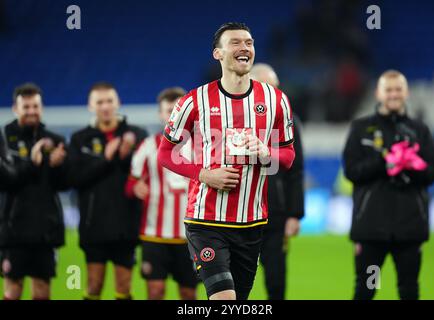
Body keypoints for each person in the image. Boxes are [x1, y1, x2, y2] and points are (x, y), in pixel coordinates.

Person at [157, 22, 296, 300]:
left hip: (252, 223)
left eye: (249, 42)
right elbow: (165, 153)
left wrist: (267, 154)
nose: (244, 47)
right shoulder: (194, 101)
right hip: (206, 221)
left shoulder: (276, 100)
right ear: (218, 54)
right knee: (224, 299)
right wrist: (204, 175)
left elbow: (288, 157)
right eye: (235, 42)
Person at [343, 70, 434, 300]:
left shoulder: (419, 130)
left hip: (409, 229)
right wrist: (384, 161)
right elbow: (351, 172)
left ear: (406, 93)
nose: (394, 94)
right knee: (367, 289)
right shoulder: (361, 128)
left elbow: (432, 173)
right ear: (378, 93)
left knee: (408, 289)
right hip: (371, 230)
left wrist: (410, 165)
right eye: (389, 89)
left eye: (398, 89)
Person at [68, 82, 147, 300]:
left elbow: (145, 173)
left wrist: (127, 156)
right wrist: (105, 159)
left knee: (123, 286)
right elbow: (73, 179)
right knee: (94, 284)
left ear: (118, 103)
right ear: (90, 106)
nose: (105, 106)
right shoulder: (80, 139)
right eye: (99, 102)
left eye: (109, 101)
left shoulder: (137, 135)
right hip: (94, 224)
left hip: (126, 223)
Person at [125, 87, 198, 300]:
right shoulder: (148, 146)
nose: (174, 116)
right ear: (160, 114)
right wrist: (135, 188)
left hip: (191, 236)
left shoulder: (203, 147)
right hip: (154, 235)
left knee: (188, 294)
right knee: (155, 292)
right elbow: (130, 184)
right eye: (169, 111)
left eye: (179, 110)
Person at [0, 83, 67, 300]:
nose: (31, 111)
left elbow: (64, 184)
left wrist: (59, 167)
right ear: (15, 108)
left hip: (44, 230)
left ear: (42, 107)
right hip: (12, 230)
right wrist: (32, 163)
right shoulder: (3, 138)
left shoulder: (54, 140)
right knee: (13, 289)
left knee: (42, 291)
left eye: (35, 106)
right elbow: (5, 180)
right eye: (26, 106)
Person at [250, 63, 304, 300]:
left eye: (276, 88)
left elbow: (296, 169)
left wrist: (294, 214)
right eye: (267, 87)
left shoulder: (289, 121)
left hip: (275, 212)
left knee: (275, 276)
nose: (274, 94)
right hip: (240, 213)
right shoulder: (235, 117)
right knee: (235, 278)